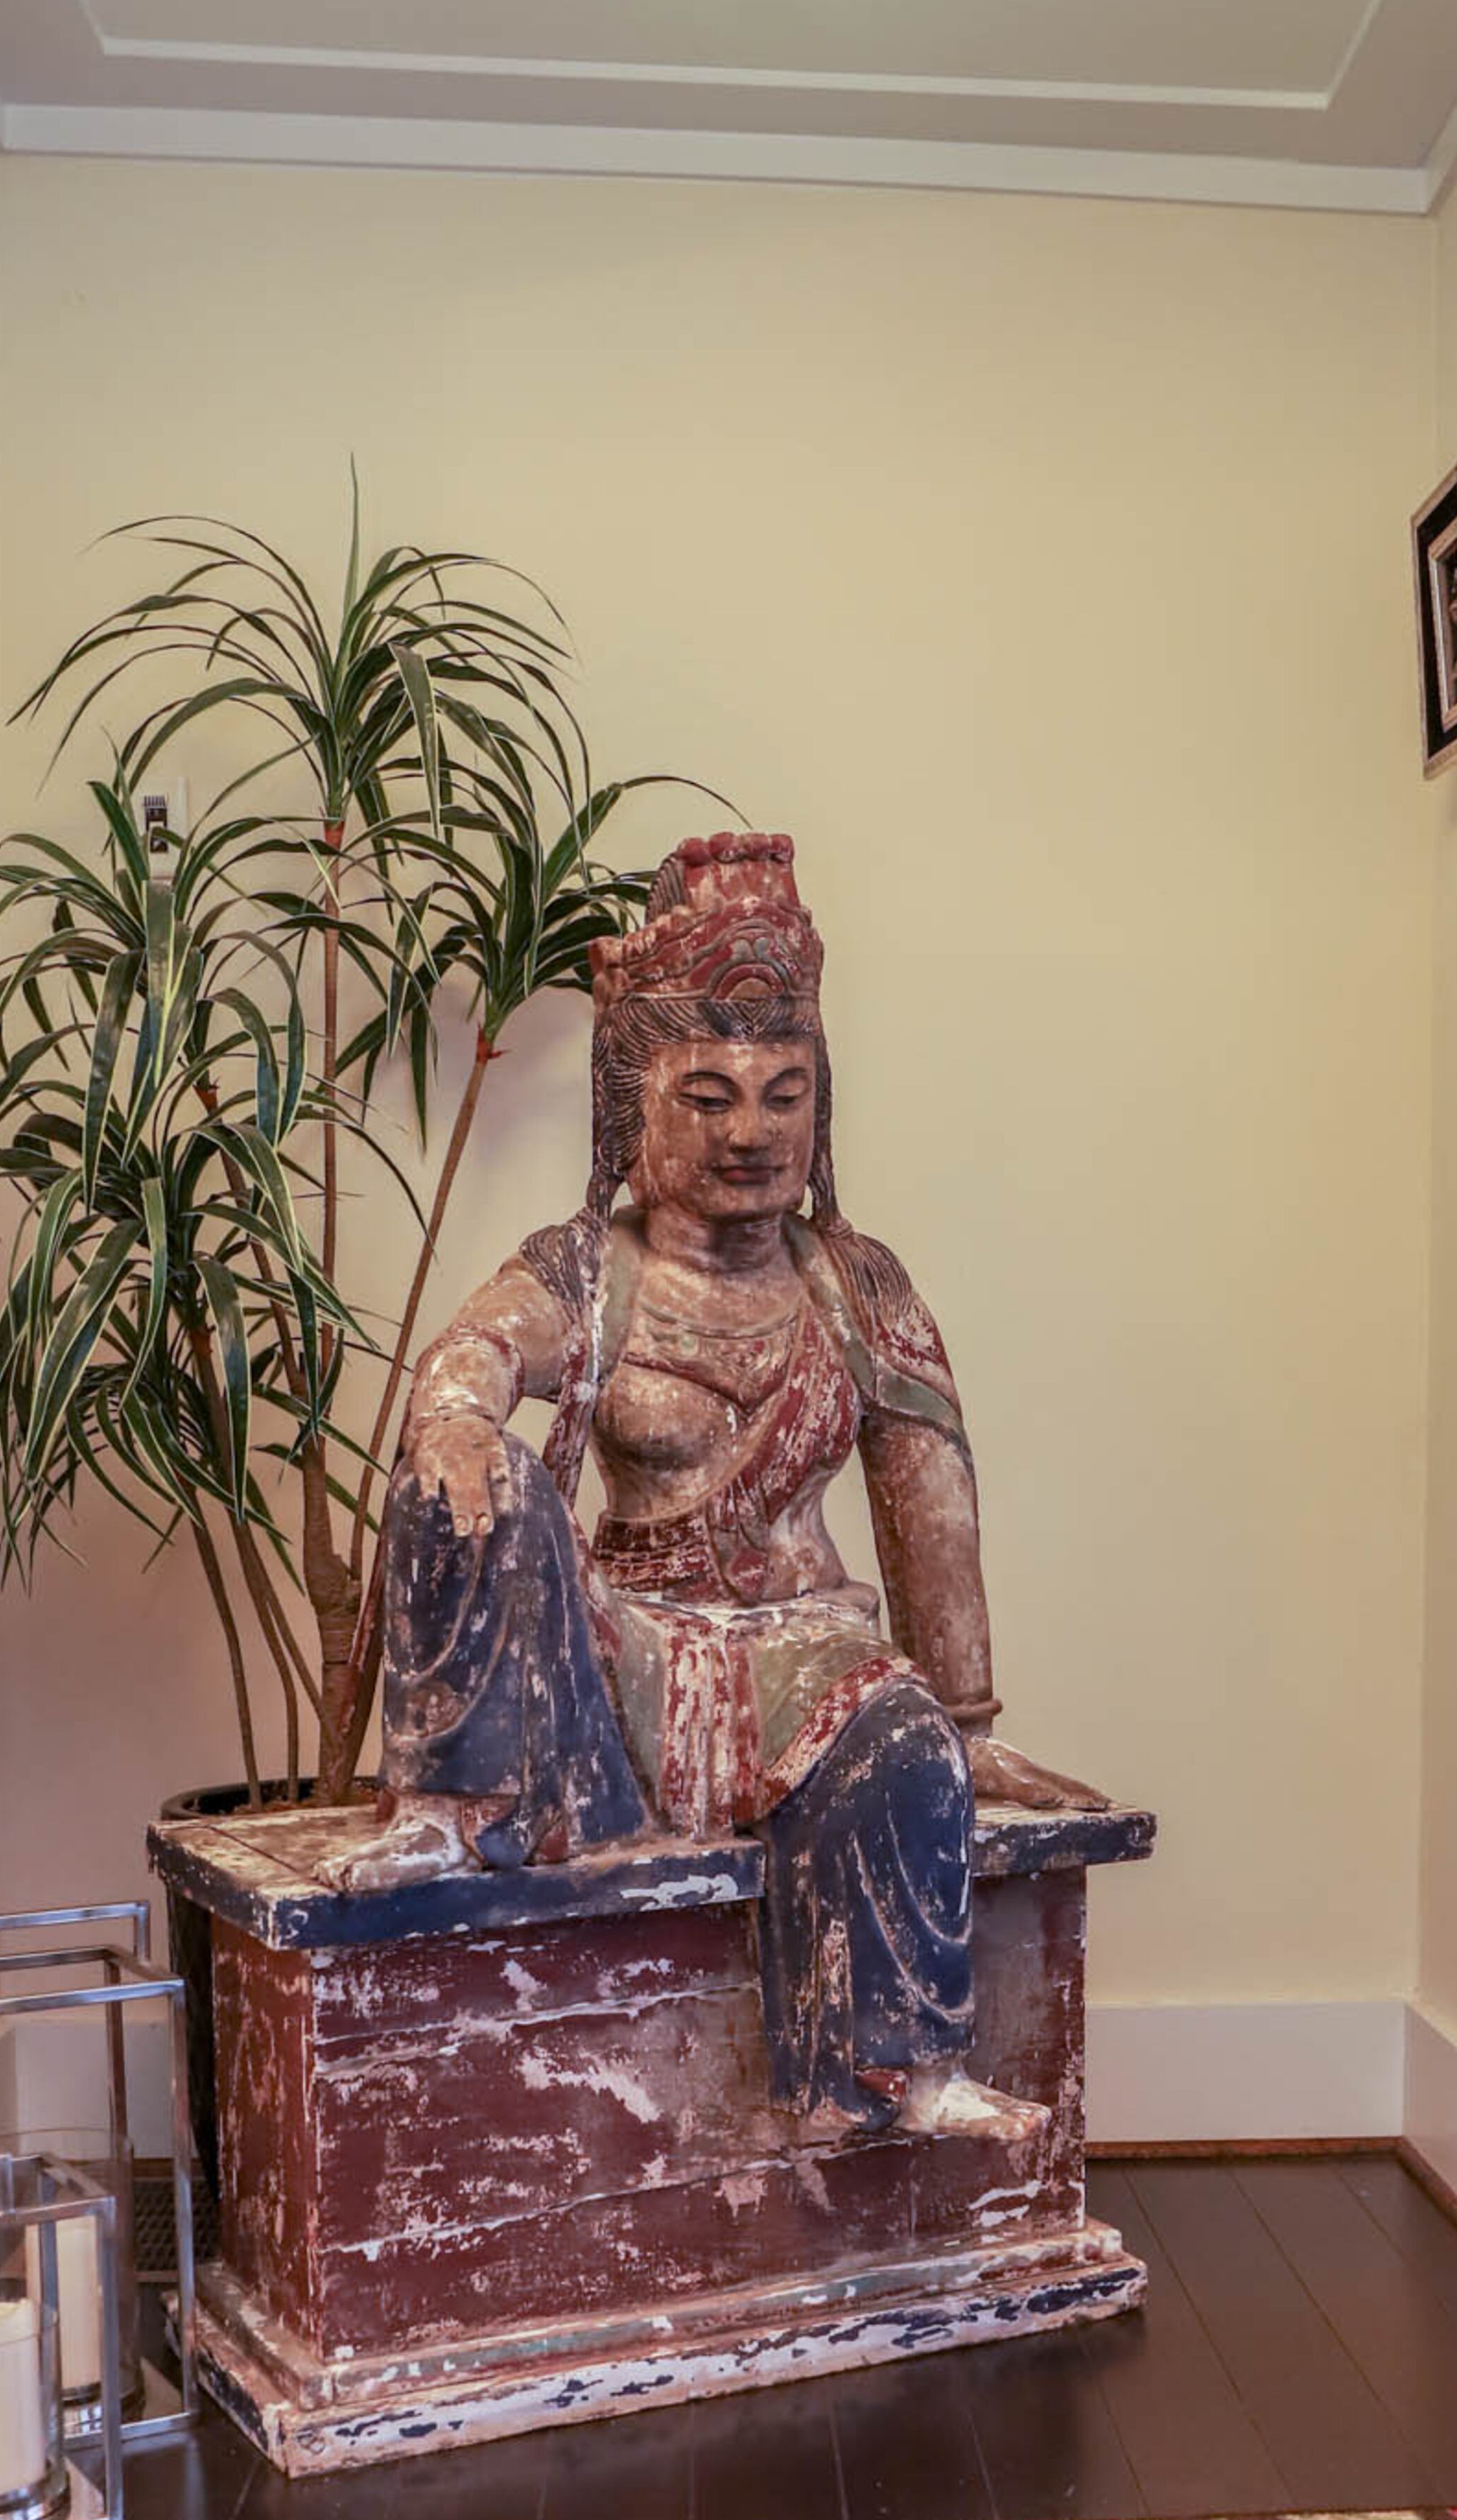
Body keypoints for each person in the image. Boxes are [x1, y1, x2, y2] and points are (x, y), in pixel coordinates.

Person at [348, 833, 1105, 2136]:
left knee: (904, 1742)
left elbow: (934, 1505)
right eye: (708, 1093)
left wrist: (968, 1730)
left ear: (823, 1103)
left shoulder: (859, 1289)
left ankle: (890, 2074)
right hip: (627, 1660)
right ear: (633, 1107)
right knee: (463, 1488)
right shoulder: (589, 1272)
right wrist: (462, 1419)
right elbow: (468, 1353)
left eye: (783, 1091)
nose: (751, 1130)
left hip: (806, 1661)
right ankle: (448, 1808)